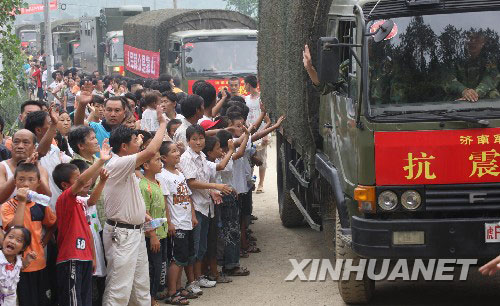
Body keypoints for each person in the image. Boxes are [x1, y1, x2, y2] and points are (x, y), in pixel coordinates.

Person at [101, 105, 166, 305]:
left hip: (134, 232)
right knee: (118, 288)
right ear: (124, 147)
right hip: (123, 234)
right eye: (135, 141)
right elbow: (152, 150)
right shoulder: (117, 163)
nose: (139, 143)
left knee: (140, 286)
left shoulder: (125, 165)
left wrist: (143, 215)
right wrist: (162, 123)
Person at [52, 140, 111, 306]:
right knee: (73, 300)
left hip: (84, 257)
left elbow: (92, 201)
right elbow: (81, 183)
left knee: (85, 299)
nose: (84, 180)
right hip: (70, 257)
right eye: (78, 178)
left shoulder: (80, 201)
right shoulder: (65, 199)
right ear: (65, 185)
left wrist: (102, 181)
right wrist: (100, 160)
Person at [179, 124, 234, 292]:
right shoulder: (187, 158)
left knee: (201, 246)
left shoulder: (201, 155)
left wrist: (230, 151)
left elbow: (219, 166)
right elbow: (192, 182)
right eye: (194, 139)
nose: (198, 142)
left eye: (201, 138)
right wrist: (215, 186)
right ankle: (192, 282)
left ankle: (199, 278)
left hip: (205, 206)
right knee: (194, 247)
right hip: (195, 208)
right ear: (188, 141)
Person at [1, 163, 57, 306]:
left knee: (42, 301)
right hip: (18, 267)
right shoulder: (8, 206)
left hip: (39, 263)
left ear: (38, 183)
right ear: (15, 182)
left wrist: (47, 237)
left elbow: (53, 223)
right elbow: (15, 229)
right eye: (21, 179)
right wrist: (21, 202)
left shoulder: (41, 205)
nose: (26, 184)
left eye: (31, 180)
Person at [158, 141, 196, 304]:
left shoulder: (179, 174)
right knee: (176, 259)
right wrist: (169, 222)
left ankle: (179, 288)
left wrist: (193, 215)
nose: (178, 153)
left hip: (186, 220)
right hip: (177, 223)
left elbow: (187, 196)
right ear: (164, 158)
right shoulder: (163, 176)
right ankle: (172, 291)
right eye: (173, 151)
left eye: (177, 150)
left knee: (183, 257)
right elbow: (165, 201)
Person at [139, 152, 168, 306]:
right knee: (153, 268)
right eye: (157, 160)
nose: (161, 162)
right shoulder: (144, 185)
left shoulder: (157, 182)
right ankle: (150, 298)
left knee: (161, 266)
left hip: (162, 233)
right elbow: (146, 213)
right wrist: (153, 235)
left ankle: (154, 295)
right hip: (152, 235)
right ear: (146, 165)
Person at [0, 130, 51, 204]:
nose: (20, 146)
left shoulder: (40, 169)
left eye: (25, 142)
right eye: (16, 142)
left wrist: (35, 167)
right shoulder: (2, 167)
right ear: (11, 146)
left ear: (34, 147)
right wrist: (21, 169)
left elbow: (47, 196)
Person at [244, 75, 268, 193]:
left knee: (261, 158)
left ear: (248, 84)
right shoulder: (246, 99)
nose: (244, 87)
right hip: (249, 133)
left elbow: (266, 117)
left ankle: (261, 184)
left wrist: (265, 134)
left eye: (245, 84)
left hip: (261, 132)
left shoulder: (261, 99)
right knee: (250, 157)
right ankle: (250, 182)